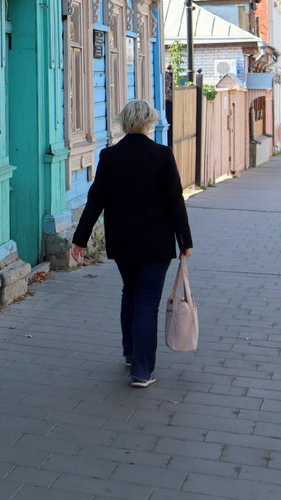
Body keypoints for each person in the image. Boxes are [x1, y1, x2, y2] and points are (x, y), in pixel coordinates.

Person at [70, 99, 193, 389]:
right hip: (156, 242)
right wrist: (185, 241)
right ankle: (141, 371)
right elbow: (175, 202)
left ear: (123, 122)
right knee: (147, 302)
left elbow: (95, 200)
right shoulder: (162, 155)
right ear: (149, 122)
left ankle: (130, 352)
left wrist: (80, 240)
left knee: (131, 292)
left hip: (122, 241)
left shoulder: (109, 156)